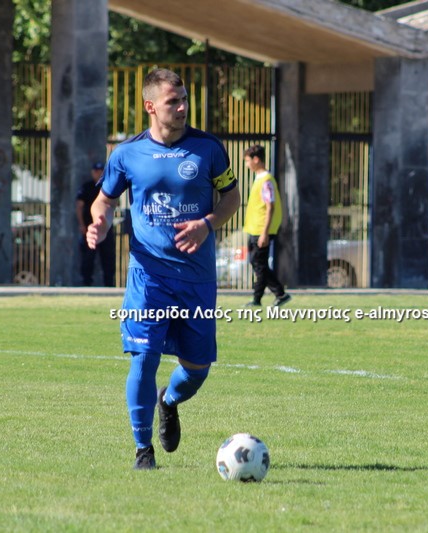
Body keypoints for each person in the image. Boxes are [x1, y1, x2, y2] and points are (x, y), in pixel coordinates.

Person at [86, 68, 240, 470]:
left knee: (197, 369)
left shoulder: (208, 148)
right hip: (147, 275)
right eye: (174, 101)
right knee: (144, 357)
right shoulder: (127, 154)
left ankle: (168, 401)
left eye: (185, 99)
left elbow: (231, 198)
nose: (183, 107)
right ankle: (143, 449)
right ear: (150, 106)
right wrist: (99, 221)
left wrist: (207, 224)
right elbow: (104, 200)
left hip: (197, 277)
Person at [242, 144, 291, 307]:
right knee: (257, 263)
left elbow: (270, 206)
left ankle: (258, 299)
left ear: (256, 159)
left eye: (248, 161)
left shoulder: (266, 180)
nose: (247, 165)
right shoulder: (259, 179)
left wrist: (265, 232)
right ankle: (280, 294)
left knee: (259, 264)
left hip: (261, 229)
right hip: (254, 228)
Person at [76, 161, 116, 287]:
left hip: (106, 228)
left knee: (108, 258)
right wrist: (82, 225)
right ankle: (86, 284)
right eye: (96, 171)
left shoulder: (107, 187)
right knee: (88, 258)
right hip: (90, 229)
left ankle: (109, 284)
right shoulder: (86, 187)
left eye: (101, 171)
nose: (98, 174)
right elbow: (79, 206)